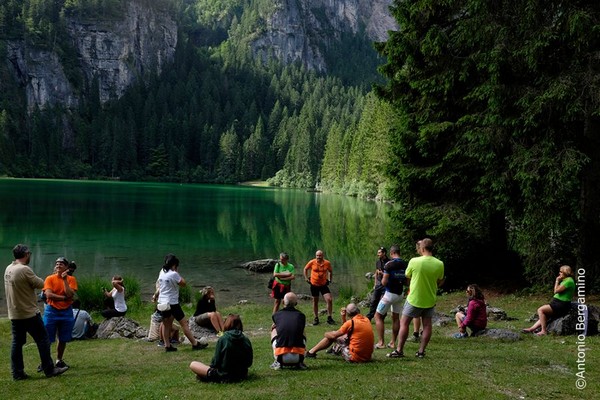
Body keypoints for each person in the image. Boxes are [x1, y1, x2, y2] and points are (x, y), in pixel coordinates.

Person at [4, 244, 68, 380]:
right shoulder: (24, 269)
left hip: (15, 313)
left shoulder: (9, 268)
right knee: (43, 339)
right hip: (28, 313)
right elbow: (41, 284)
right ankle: (49, 369)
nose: (30, 256)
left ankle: (17, 373)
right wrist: (54, 277)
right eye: (30, 254)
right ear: (26, 254)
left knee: (17, 342)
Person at [388, 238, 444, 359]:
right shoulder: (439, 264)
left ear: (422, 248)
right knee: (427, 325)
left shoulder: (414, 261)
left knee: (404, 323)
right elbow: (439, 281)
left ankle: (399, 350)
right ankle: (421, 352)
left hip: (414, 298)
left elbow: (407, 277)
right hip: (429, 299)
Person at [156, 253, 207, 352]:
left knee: (167, 324)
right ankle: (195, 343)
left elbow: (159, 283)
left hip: (162, 302)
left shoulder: (162, 271)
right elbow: (183, 283)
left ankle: (167, 345)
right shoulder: (173, 274)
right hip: (172, 303)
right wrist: (177, 272)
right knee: (184, 323)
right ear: (174, 265)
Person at [190, 314, 253, 382]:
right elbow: (249, 362)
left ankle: (205, 376)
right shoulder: (245, 339)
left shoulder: (223, 338)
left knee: (193, 364)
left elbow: (215, 363)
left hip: (223, 375)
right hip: (242, 374)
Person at [305, 303, 373, 363]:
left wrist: (326, 334)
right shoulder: (366, 320)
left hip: (355, 357)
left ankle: (311, 352)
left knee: (331, 336)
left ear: (348, 313)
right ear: (358, 311)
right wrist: (343, 317)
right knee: (341, 336)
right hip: (367, 357)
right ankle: (334, 349)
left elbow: (334, 336)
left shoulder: (351, 323)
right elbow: (348, 331)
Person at [43, 256, 78, 369]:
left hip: (66, 312)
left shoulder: (71, 279)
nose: (58, 265)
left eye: (61, 264)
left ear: (66, 267)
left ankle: (59, 360)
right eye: (57, 263)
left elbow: (69, 294)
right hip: (51, 311)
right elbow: (48, 295)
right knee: (47, 338)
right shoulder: (49, 278)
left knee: (63, 338)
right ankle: (45, 362)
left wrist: (64, 280)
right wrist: (64, 298)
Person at [522, 265, 576, 336]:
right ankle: (531, 329)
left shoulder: (568, 281)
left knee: (541, 310)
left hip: (561, 304)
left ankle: (543, 331)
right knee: (545, 314)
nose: (559, 273)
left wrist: (557, 281)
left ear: (565, 272)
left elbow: (556, 291)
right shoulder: (565, 280)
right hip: (557, 302)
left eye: (561, 272)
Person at [374, 245, 406, 349]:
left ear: (391, 253)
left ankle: (381, 342)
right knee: (396, 318)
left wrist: (382, 276)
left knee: (377, 316)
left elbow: (384, 282)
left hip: (389, 294)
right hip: (400, 294)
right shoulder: (405, 264)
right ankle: (392, 342)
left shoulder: (388, 264)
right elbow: (406, 280)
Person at [270, 292, 306, 370]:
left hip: (281, 358)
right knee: (302, 331)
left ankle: (277, 362)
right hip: (299, 357)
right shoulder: (301, 316)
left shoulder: (276, 315)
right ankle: (300, 362)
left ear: (283, 302)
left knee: (274, 329)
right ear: (296, 303)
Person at [303, 250, 335, 325]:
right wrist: (306, 278)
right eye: (317, 256)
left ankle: (329, 317)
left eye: (320, 256)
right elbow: (305, 269)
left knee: (329, 300)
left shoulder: (327, 263)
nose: (318, 257)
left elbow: (330, 271)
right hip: (314, 284)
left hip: (323, 285)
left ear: (322, 256)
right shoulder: (312, 262)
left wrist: (330, 280)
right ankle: (316, 318)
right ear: (315, 256)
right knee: (315, 301)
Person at [366, 247, 390, 321]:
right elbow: (376, 273)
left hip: (386, 284)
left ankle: (382, 315)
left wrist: (382, 273)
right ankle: (369, 316)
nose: (378, 254)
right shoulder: (378, 262)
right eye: (378, 252)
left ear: (384, 253)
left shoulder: (389, 262)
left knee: (383, 302)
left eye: (379, 252)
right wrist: (375, 283)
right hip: (379, 284)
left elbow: (391, 274)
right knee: (374, 300)